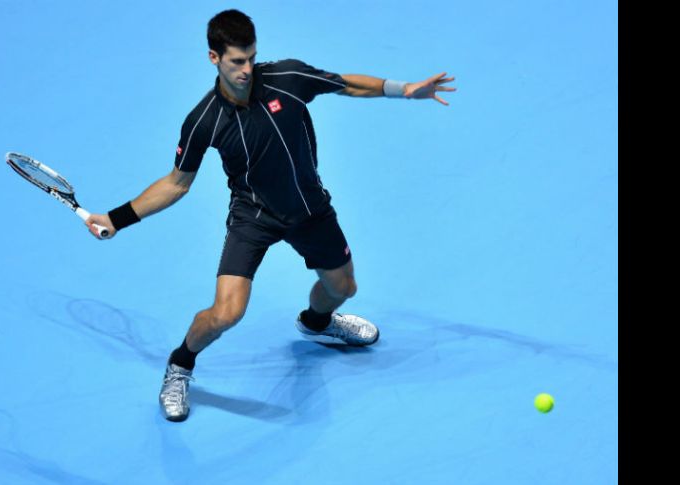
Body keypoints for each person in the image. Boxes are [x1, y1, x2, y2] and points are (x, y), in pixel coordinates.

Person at [85, 9, 456, 422]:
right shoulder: (203, 121)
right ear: (214, 58)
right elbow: (176, 183)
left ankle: (316, 324)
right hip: (253, 217)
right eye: (236, 62)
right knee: (227, 313)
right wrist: (116, 218)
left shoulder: (287, 79)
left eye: (251, 58)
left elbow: (346, 84)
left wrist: (404, 90)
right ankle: (181, 364)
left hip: (310, 208)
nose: (246, 70)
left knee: (343, 287)